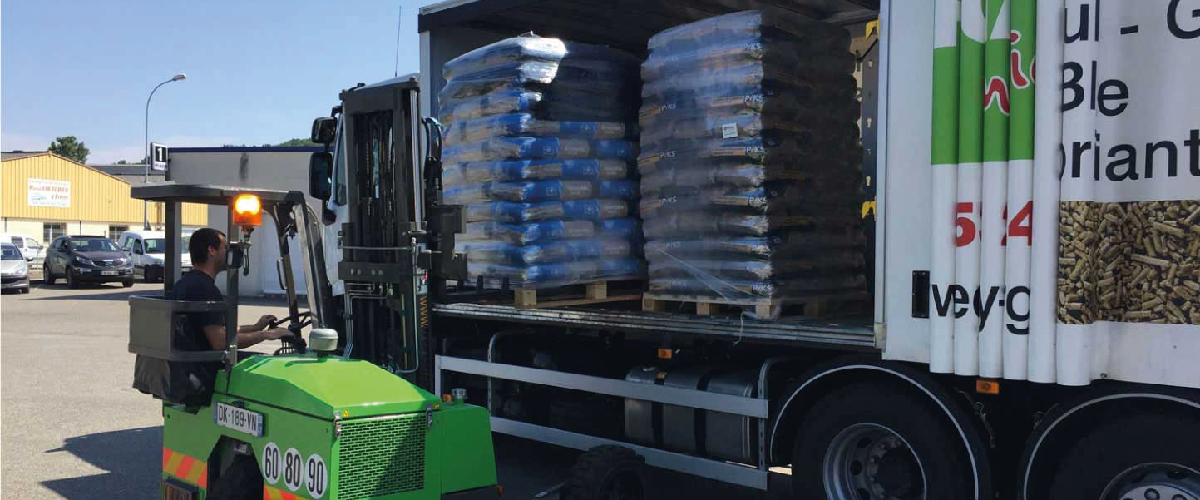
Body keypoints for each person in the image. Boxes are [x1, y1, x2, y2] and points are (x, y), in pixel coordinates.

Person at [171, 228, 291, 364]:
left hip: (192, 365)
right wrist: (265, 335)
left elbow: (218, 329)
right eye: (225, 247)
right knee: (271, 363)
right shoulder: (205, 290)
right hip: (208, 368)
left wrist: (256, 327)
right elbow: (221, 342)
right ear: (211, 250)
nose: (229, 252)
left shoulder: (184, 283)